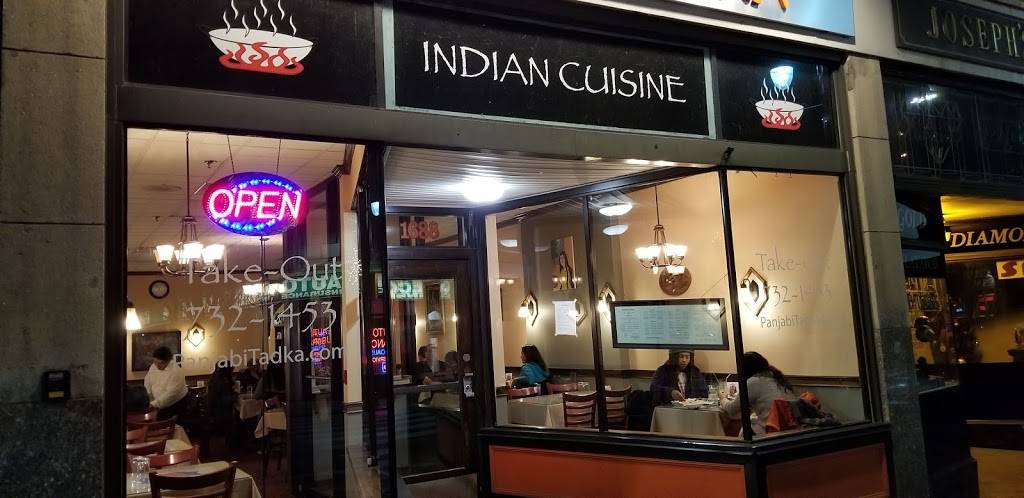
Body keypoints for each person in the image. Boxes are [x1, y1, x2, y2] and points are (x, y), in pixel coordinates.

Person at [721, 352, 798, 435]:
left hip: (772, 429)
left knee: (744, 430)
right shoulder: (778, 379)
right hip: (791, 428)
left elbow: (732, 409)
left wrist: (723, 398)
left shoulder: (754, 382)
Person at [144, 346, 188, 419]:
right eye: (155, 361)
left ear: (168, 361)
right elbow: (147, 381)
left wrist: (154, 404)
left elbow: (171, 394)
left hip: (175, 405)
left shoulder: (176, 372)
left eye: (160, 363)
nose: (157, 365)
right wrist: (148, 397)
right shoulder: (153, 366)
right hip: (158, 403)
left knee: (171, 424)